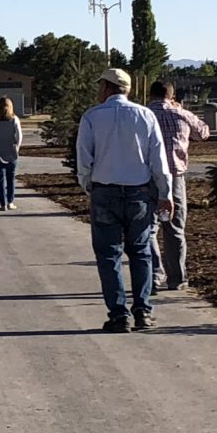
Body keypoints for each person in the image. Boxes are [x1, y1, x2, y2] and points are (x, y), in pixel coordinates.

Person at [73, 68, 172, 331]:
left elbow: (84, 158)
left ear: (107, 87)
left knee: (109, 255)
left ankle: (118, 314)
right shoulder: (145, 115)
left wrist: (89, 186)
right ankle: (143, 310)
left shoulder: (93, 116)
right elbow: (158, 160)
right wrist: (165, 193)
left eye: (100, 85)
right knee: (140, 252)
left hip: (105, 191)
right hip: (139, 192)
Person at [146, 80, 210, 292]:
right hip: (175, 177)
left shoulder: (143, 115)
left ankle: (155, 274)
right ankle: (177, 278)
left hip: (147, 176)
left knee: (148, 228)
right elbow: (203, 133)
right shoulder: (181, 114)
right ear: (171, 96)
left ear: (150, 95)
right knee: (174, 229)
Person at [0, 95, 24, 208]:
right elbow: (19, 136)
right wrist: (17, 147)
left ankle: (2, 204)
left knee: (0, 179)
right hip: (11, 152)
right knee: (11, 178)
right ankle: (10, 202)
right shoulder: (14, 119)